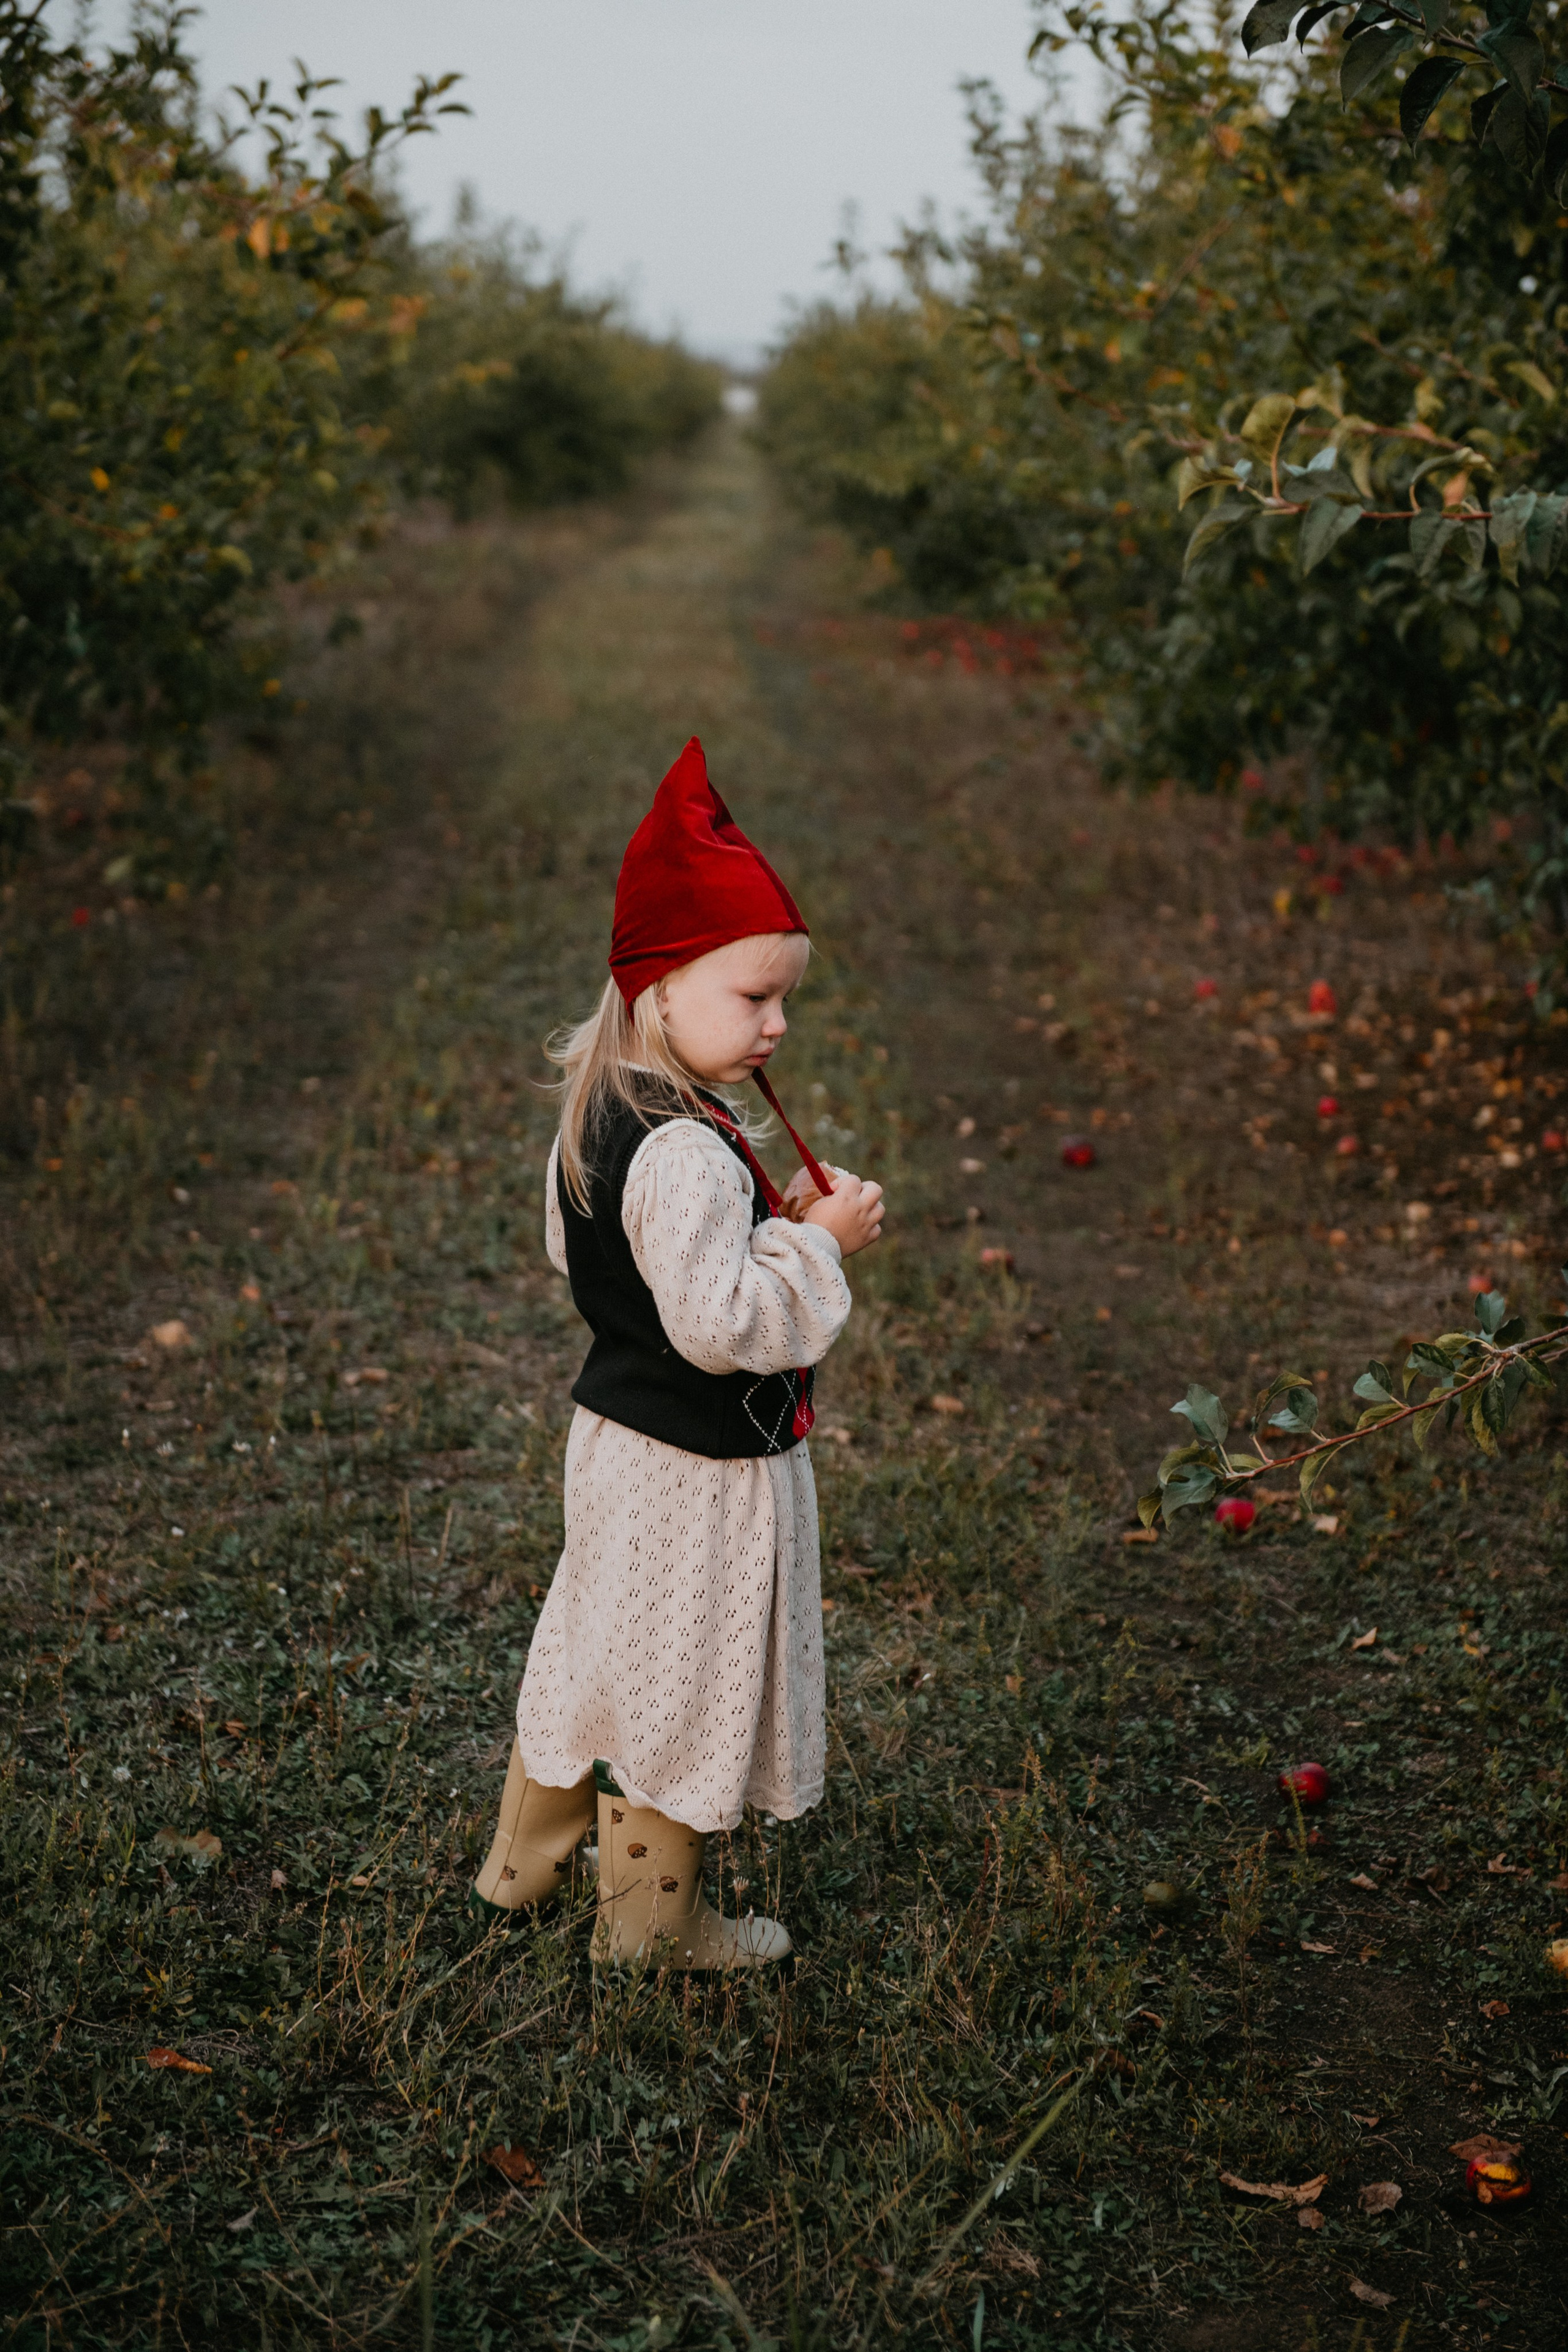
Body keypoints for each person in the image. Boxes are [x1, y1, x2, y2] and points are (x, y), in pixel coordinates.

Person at [471, 738, 884, 1967]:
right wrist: (815, 1247)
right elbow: (718, 1328)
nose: (777, 1022)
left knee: (598, 1644)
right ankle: (649, 1929)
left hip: (614, 1443)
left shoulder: (605, 1108)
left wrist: (764, 1233)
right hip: (699, 1474)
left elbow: (579, 1250)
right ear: (659, 992)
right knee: (680, 1679)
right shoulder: (692, 1150)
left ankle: (522, 1867)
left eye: (782, 998)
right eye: (753, 997)